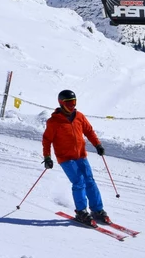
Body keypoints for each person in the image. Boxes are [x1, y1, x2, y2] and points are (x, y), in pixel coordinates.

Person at [42, 89, 110, 225]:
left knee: (90, 180)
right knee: (79, 182)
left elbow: (89, 131)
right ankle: (81, 212)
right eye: (69, 103)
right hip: (66, 158)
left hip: (81, 155)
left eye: (74, 102)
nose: (72, 105)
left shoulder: (79, 116)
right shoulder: (54, 122)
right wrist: (47, 157)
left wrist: (98, 145)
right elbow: (47, 140)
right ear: (61, 103)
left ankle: (97, 210)